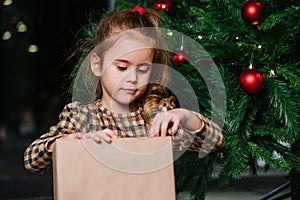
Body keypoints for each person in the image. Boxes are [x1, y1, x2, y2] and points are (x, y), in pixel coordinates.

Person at [24, 6, 224, 174]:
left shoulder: (156, 118)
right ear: (97, 65)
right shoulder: (82, 117)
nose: (132, 78)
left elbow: (214, 142)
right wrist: (69, 141)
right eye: (122, 67)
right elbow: (32, 160)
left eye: (143, 69)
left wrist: (185, 116)